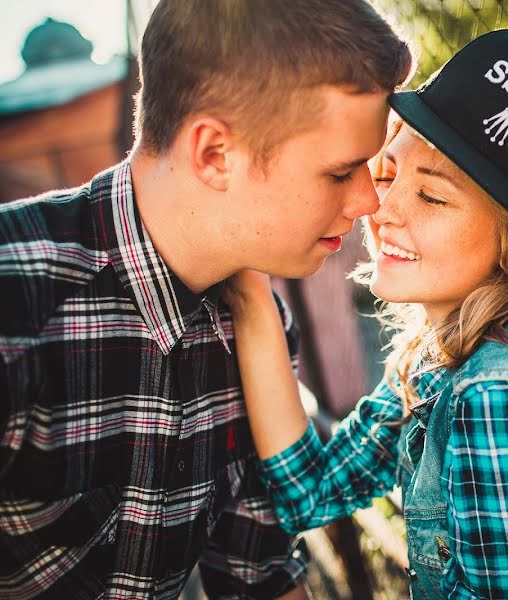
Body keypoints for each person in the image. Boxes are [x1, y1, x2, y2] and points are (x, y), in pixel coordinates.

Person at [226, 30, 508, 599]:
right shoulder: (449, 349)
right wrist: (250, 286)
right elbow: (310, 490)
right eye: (389, 174)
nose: (380, 209)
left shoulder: (506, 389)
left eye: (432, 196)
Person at [0, 1, 411, 597]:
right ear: (215, 154)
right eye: (341, 171)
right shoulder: (16, 298)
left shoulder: (257, 326)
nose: (369, 202)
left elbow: (257, 577)